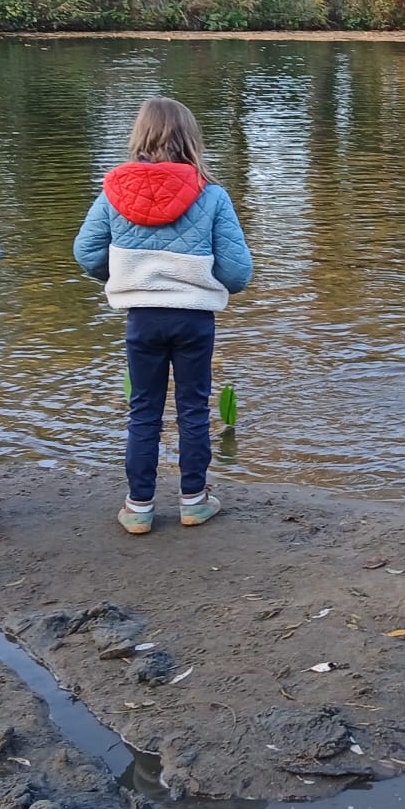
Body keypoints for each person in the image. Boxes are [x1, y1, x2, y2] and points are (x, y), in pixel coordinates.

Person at [73, 96, 252, 534]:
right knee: (193, 408)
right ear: (191, 139)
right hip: (194, 318)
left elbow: (86, 253)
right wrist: (207, 280)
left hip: (142, 318)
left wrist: (126, 277)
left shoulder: (113, 192)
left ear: (140, 136)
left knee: (143, 409)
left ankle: (139, 507)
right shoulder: (212, 195)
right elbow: (238, 272)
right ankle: (194, 501)